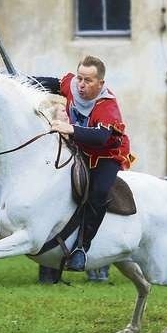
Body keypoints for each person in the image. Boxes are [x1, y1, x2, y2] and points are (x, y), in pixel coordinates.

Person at [37, 55, 134, 272]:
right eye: (80, 78)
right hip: (80, 148)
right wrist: (22, 80)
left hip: (106, 154)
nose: (81, 85)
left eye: (88, 81)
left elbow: (100, 138)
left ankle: (81, 247)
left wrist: (69, 128)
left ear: (100, 83)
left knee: (98, 192)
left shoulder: (108, 106)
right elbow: (52, 83)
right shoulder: (72, 84)